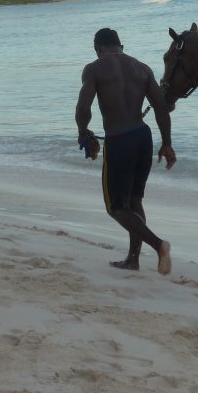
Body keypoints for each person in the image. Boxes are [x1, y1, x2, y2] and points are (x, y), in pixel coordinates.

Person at [75, 27, 177, 274]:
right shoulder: (142, 68)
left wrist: (83, 131)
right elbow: (161, 108)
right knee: (134, 201)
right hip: (143, 137)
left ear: (98, 48)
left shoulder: (94, 69)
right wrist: (167, 143)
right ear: (121, 45)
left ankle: (159, 245)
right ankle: (133, 259)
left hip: (119, 140)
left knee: (116, 208)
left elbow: (84, 106)